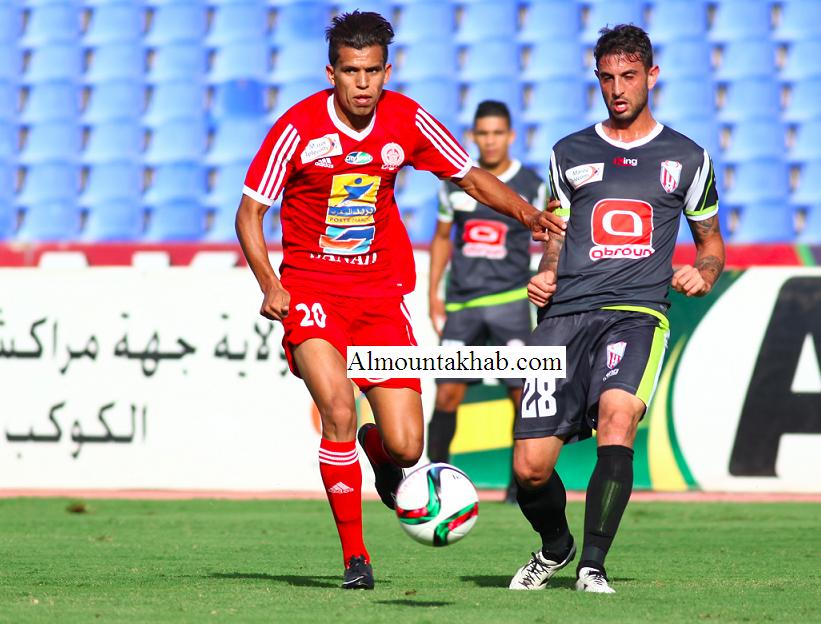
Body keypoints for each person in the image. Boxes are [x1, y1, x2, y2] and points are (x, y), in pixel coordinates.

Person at [235, 11, 565, 590]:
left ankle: (375, 448)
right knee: (337, 407)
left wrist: (528, 214)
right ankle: (356, 560)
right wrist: (272, 284)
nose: (362, 84)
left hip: (380, 296)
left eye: (372, 72)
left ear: (388, 69)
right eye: (350, 72)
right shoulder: (299, 127)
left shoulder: (406, 118)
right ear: (331, 71)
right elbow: (250, 213)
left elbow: (468, 176)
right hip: (312, 291)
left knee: (408, 447)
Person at [508, 25, 725, 594]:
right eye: (606, 78)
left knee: (617, 417)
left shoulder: (688, 157)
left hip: (637, 312)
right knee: (529, 469)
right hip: (563, 316)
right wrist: (549, 269)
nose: (617, 89)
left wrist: (701, 275)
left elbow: (711, 247)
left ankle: (593, 568)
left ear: (651, 75)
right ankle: (557, 548)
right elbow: (554, 231)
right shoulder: (568, 152)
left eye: (628, 76)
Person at [427, 100, 545, 504]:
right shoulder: (454, 184)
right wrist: (433, 295)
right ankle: (433, 483)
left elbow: (553, 237)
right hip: (462, 307)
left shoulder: (531, 184)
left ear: (510, 136)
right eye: (483, 133)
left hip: (511, 304)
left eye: (497, 133)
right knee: (447, 395)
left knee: (519, 393)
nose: (490, 141)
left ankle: (519, 487)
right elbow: (442, 238)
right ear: (473, 137)